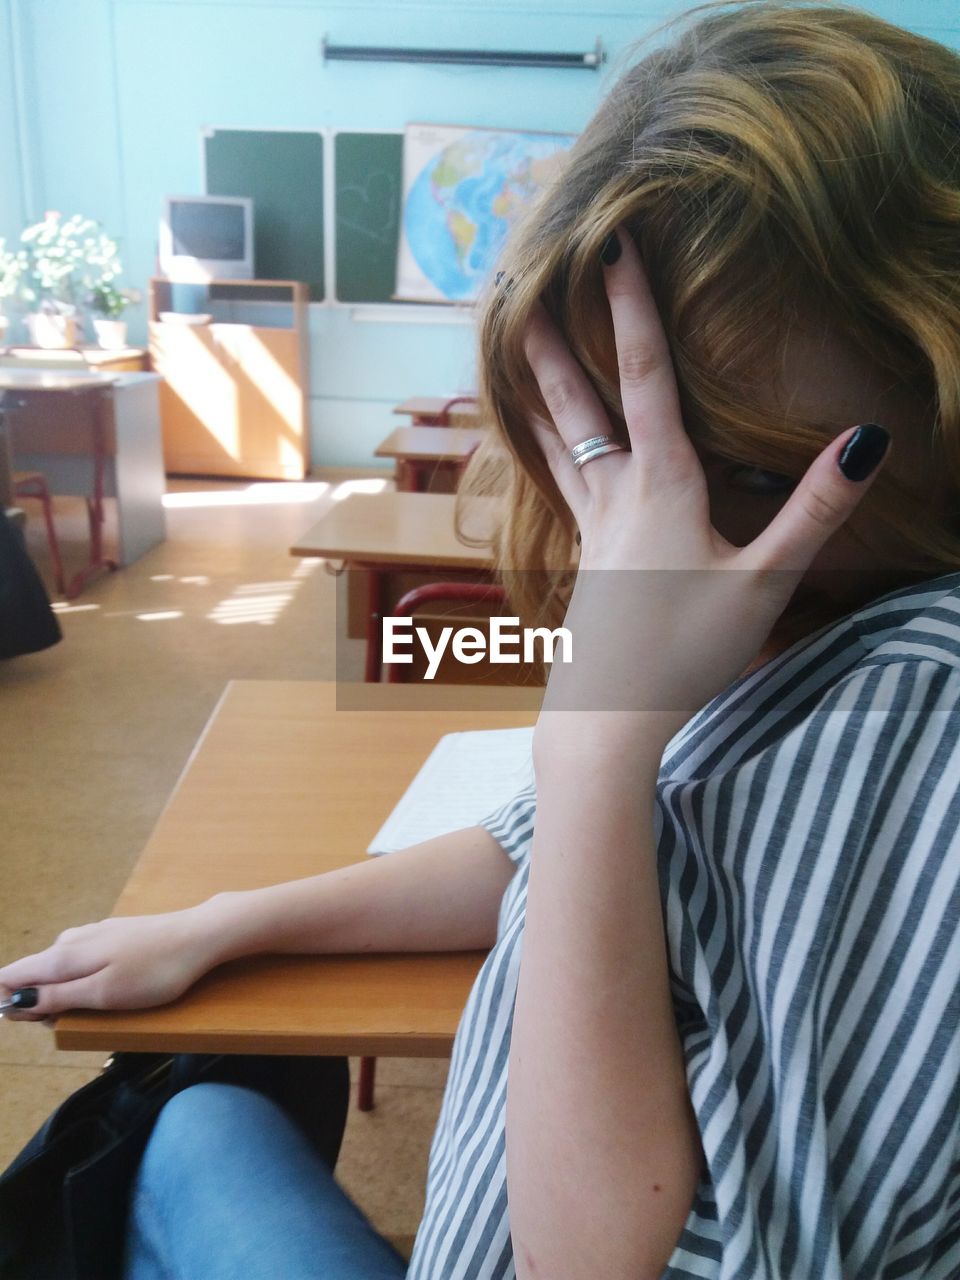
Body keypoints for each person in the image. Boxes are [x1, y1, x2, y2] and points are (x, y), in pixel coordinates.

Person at [4, 1, 960, 1275]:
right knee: (199, 1119)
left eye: (730, 465)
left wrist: (594, 746)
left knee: (157, 1145)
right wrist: (227, 921)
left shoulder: (902, 707)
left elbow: (595, 1259)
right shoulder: (791, 632)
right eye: (599, 449)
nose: (640, 533)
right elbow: (544, 853)